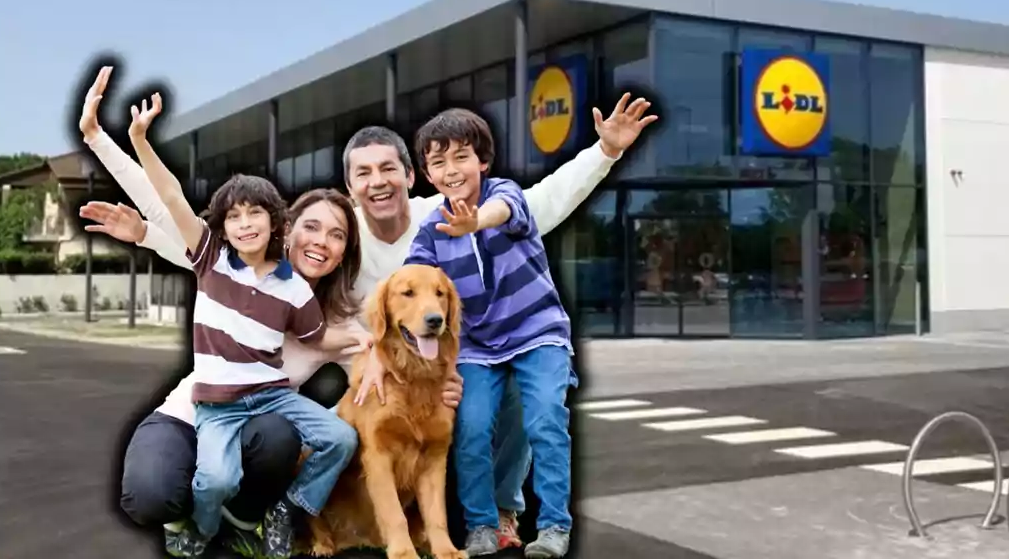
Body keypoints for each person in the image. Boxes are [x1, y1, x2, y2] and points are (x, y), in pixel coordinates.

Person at [79, 67, 650, 551]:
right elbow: (180, 217)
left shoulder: (428, 228)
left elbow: (539, 203)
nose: (321, 242)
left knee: (492, 398)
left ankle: (497, 510)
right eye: (361, 175)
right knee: (161, 490)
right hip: (205, 408)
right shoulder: (269, 266)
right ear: (344, 194)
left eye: (386, 170)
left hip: (306, 403)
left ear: (409, 176)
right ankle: (231, 511)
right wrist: (110, 155)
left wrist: (604, 152)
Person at [126, 92, 375, 558]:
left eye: (254, 213)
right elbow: (171, 198)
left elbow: (317, 337)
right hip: (216, 404)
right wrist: (140, 140)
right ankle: (200, 526)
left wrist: (365, 337)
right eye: (234, 217)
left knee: (342, 438)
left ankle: (290, 506)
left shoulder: (295, 290)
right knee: (213, 479)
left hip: (271, 399)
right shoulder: (213, 261)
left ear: (275, 220)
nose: (244, 224)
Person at [404, 104, 656, 559]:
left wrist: (474, 221)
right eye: (438, 162)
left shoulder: (506, 193)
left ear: (482, 161)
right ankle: (481, 525)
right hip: (478, 345)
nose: (451, 169)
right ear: (427, 174)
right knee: (473, 428)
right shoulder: (429, 230)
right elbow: (410, 285)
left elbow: (503, 211)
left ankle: (555, 525)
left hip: (537, 330)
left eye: (461, 157)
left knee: (544, 419)